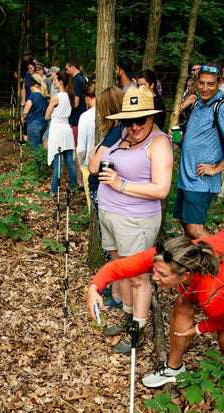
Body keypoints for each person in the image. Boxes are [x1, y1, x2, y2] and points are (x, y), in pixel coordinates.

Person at [87, 226, 224, 388]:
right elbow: (118, 267)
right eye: (155, 271)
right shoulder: (168, 257)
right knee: (183, 304)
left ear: (185, 275)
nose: (154, 277)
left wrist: (198, 329)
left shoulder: (213, 294)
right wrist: (94, 288)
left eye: (163, 275)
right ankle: (173, 369)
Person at [88, 85, 173, 353]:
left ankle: (139, 329)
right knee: (119, 269)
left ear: (152, 117)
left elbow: (161, 189)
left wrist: (120, 185)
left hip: (136, 220)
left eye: (141, 120)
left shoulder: (159, 143)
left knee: (138, 277)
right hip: (110, 214)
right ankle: (127, 316)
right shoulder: (124, 134)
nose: (134, 126)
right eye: (129, 120)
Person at [174, 64, 224, 240]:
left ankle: (222, 259)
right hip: (186, 178)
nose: (205, 88)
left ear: (219, 83)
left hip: (202, 181)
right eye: (202, 83)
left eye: (210, 84)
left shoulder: (223, 108)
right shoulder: (198, 103)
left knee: (196, 229)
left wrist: (216, 168)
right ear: (197, 82)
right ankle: (198, 265)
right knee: (186, 226)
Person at [87, 86, 125, 308]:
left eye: (101, 109)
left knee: (111, 245)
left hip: (103, 193)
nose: (99, 114)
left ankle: (117, 293)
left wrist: (94, 155)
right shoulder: (115, 132)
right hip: (102, 192)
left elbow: (93, 165)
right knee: (110, 243)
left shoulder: (115, 133)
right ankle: (116, 289)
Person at [45, 70, 77, 197]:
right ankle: (72, 187)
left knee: (57, 161)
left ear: (60, 81)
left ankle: (53, 190)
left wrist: (53, 115)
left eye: (55, 80)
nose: (53, 82)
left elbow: (47, 115)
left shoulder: (56, 97)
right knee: (69, 161)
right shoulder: (70, 96)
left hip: (57, 128)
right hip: (67, 128)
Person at [65, 57, 87, 186]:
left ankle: (79, 181)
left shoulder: (77, 80)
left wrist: (66, 107)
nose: (67, 71)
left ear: (72, 67)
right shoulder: (83, 78)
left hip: (76, 120)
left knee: (77, 151)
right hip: (79, 119)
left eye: (67, 68)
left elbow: (76, 102)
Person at [77, 81, 96, 211]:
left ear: (87, 97)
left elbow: (81, 148)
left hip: (88, 165)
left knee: (92, 204)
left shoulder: (85, 116)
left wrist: (81, 161)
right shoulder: (111, 113)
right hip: (108, 165)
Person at [21, 74, 48, 165]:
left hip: (33, 124)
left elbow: (25, 111)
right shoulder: (44, 96)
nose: (30, 87)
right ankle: (44, 165)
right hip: (44, 123)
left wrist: (23, 118)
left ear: (34, 86)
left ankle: (38, 167)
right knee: (42, 147)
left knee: (35, 147)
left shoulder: (32, 96)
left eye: (31, 86)